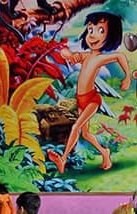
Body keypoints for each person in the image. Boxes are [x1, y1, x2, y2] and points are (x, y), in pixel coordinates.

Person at [47, 12, 130, 173]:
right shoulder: (86, 56)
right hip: (81, 99)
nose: (93, 35)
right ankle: (105, 153)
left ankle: (63, 159)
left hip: (92, 99)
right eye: (90, 30)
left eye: (100, 31)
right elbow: (72, 57)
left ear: (110, 36)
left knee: (75, 127)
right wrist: (66, 53)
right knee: (85, 133)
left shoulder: (99, 59)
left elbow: (120, 56)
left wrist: (126, 77)